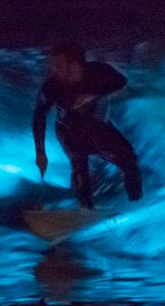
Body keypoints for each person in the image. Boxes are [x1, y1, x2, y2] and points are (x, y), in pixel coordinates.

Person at [33, 42, 142, 209]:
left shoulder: (98, 71)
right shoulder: (51, 86)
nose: (54, 70)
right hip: (68, 130)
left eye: (58, 65)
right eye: (53, 65)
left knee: (130, 161)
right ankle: (86, 211)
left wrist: (91, 96)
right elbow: (39, 116)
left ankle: (136, 203)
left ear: (74, 64)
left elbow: (121, 81)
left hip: (98, 126)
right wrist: (40, 152)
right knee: (79, 168)